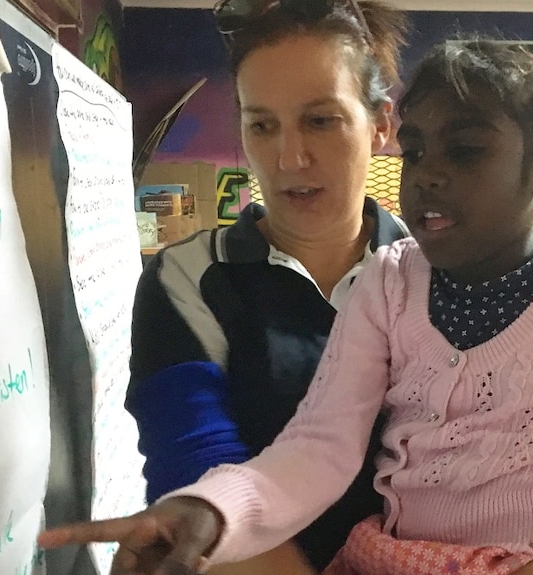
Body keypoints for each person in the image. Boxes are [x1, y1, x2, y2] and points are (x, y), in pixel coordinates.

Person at [39, 39, 533, 575]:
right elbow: (320, 446)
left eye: (465, 150)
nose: (428, 174)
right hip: (393, 559)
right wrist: (212, 512)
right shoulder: (390, 281)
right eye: (415, 152)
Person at [42, 1, 410, 574]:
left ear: (381, 124)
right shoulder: (186, 278)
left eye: (320, 120)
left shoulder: (437, 278)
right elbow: (195, 468)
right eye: (261, 125)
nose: (290, 157)